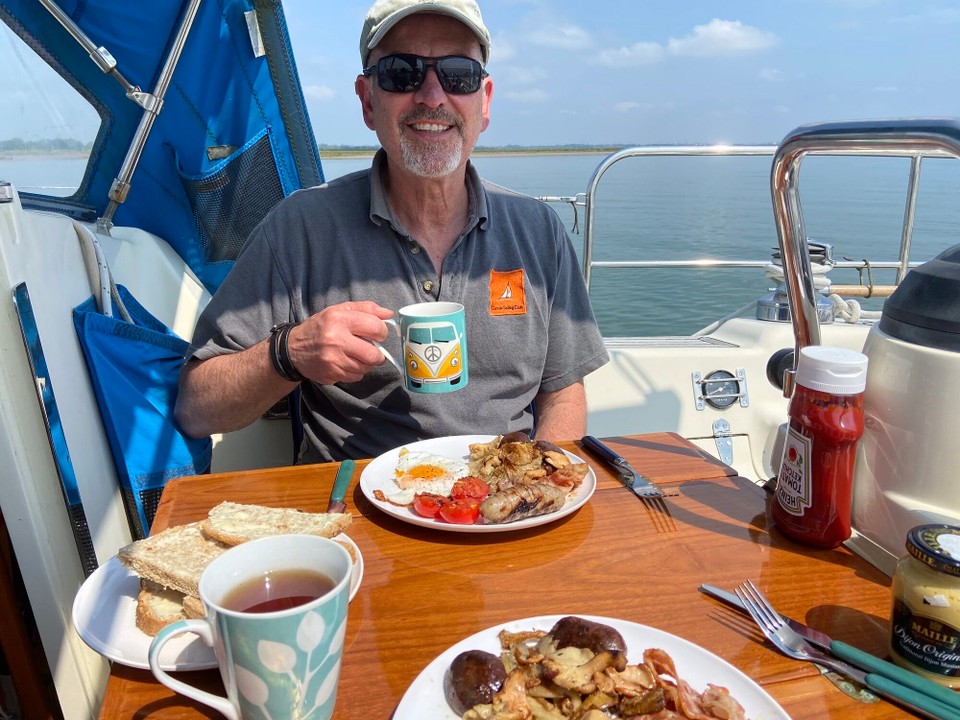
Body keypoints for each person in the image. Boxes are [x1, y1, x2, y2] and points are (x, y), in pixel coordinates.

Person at [175, 0, 609, 463]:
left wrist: (537, 488)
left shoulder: (538, 231)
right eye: (402, 72)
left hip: (502, 505)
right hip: (357, 509)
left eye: (458, 74)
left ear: (484, 102)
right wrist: (290, 353)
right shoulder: (300, 228)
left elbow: (563, 393)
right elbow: (197, 409)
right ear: (367, 100)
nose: (431, 96)